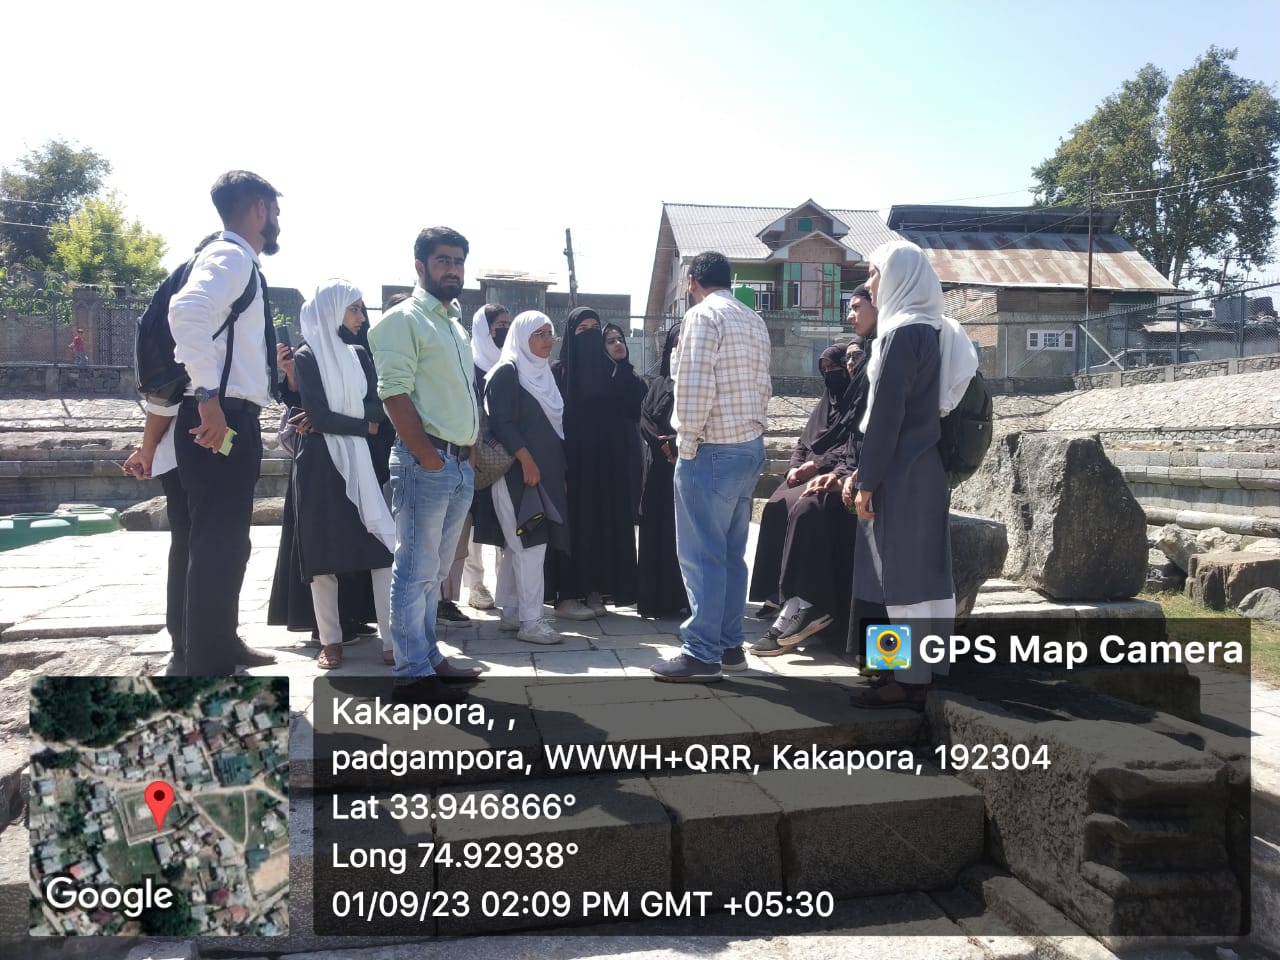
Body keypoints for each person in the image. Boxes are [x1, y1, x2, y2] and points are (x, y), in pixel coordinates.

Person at [841, 240, 977, 709]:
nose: (870, 283)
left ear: (898, 276)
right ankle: (918, 673)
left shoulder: (900, 333)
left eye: (875, 273)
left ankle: (904, 680)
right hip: (926, 469)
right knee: (925, 579)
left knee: (897, 581)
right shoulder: (934, 328)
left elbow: (886, 417)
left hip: (898, 472)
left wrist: (866, 480)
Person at [167, 171, 281, 676]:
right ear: (259, 208)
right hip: (220, 416)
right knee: (219, 542)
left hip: (224, 413)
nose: (277, 222)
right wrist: (208, 398)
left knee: (218, 541)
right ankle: (208, 666)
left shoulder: (233, 259)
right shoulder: (231, 256)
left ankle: (213, 644)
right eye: (275, 211)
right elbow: (187, 310)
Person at [368, 226, 484, 704]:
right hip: (426, 463)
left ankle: (428, 656)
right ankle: (411, 674)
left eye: (458, 261)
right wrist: (427, 455)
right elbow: (393, 393)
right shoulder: (402, 320)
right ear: (420, 266)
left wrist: (467, 450)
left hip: (456, 464)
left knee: (433, 572)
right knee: (415, 569)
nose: (452, 269)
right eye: (443, 261)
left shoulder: (453, 324)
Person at [650, 251, 770, 682]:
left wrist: (686, 445)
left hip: (711, 448)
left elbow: (695, 387)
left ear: (691, 282)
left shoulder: (702, 316)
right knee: (731, 555)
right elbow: (764, 384)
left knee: (702, 556)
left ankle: (701, 653)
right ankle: (729, 646)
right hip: (748, 446)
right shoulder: (753, 319)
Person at [280, 279, 403, 671]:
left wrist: (350, 421)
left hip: (361, 461)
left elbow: (379, 405)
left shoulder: (359, 354)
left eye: (361, 309)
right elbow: (318, 415)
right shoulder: (307, 356)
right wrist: (363, 426)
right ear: (331, 310)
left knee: (382, 550)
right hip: (319, 463)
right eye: (354, 309)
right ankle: (330, 641)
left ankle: (392, 640)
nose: (360, 317)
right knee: (323, 557)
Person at [747, 341, 859, 654]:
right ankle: (781, 591)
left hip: (839, 474)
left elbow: (850, 447)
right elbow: (804, 443)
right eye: (826, 369)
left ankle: (804, 600)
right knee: (776, 504)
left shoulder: (857, 403)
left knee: (804, 507)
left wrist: (819, 467)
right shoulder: (826, 405)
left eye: (836, 366)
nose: (832, 373)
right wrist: (795, 468)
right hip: (821, 472)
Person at [547, 307, 647, 620]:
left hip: (607, 466)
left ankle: (595, 589)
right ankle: (568, 594)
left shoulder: (612, 373)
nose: (590, 335)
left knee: (602, 526)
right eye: (582, 330)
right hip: (572, 466)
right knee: (573, 527)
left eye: (595, 328)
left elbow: (632, 411)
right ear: (570, 335)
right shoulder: (559, 374)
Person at [483, 311, 569, 645]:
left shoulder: (543, 374)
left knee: (518, 544)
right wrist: (526, 460)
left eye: (550, 333)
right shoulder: (507, 372)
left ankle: (512, 611)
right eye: (539, 334)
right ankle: (531, 622)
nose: (548, 340)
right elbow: (501, 422)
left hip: (542, 473)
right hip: (517, 473)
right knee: (531, 543)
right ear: (522, 337)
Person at [441, 303, 511, 618]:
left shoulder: (511, 364)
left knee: (503, 522)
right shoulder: (469, 365)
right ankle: (476, 584)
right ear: (484, 329)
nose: (504, 330)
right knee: (469, 525)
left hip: (506, 457)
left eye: (508, 325)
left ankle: (506, 584)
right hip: (474, 456)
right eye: (499, 325)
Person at [636, 322, 690, 619]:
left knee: (683, 534)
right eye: (676, 341)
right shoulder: (657, 385)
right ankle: (655, 599)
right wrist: (664, 445)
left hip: (688, 466)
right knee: (656, 531)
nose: (680, 347)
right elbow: (645, 418)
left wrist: (676, 444)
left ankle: (684, 598)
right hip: (659, 469)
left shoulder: (698, 382)